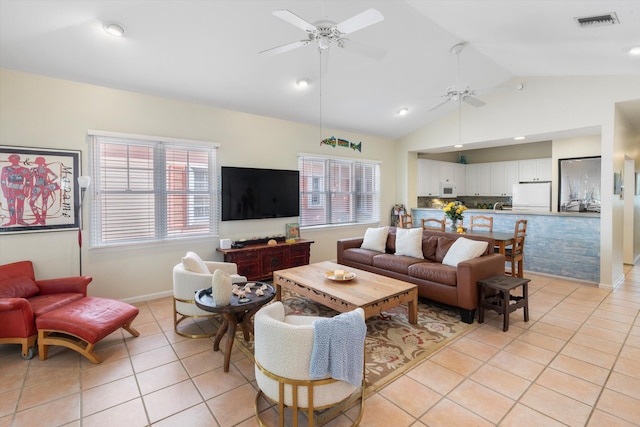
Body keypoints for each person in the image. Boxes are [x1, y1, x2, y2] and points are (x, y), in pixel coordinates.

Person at [1, 154, 31, 226]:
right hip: (10, 190)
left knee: (20, 205)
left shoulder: (25, 170)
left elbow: (28, 181)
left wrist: (26, 191)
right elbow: (3, 181)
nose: (11, 160)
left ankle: (20, 220)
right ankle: (12, 220)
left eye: (12, 159)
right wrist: (5, 191)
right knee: (11, 205)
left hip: (21, 190)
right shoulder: (6, 168)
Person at [28, 156, 60, 225]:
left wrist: (31, 189)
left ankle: (39, 219)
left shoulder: (33, 169)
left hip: (38, 188)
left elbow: (30, 181)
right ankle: (41, 220)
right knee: (43, 204)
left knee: (33, 203)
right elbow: (56, 177)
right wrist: (50, 182)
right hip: (45, 188)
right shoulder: (46, 169)